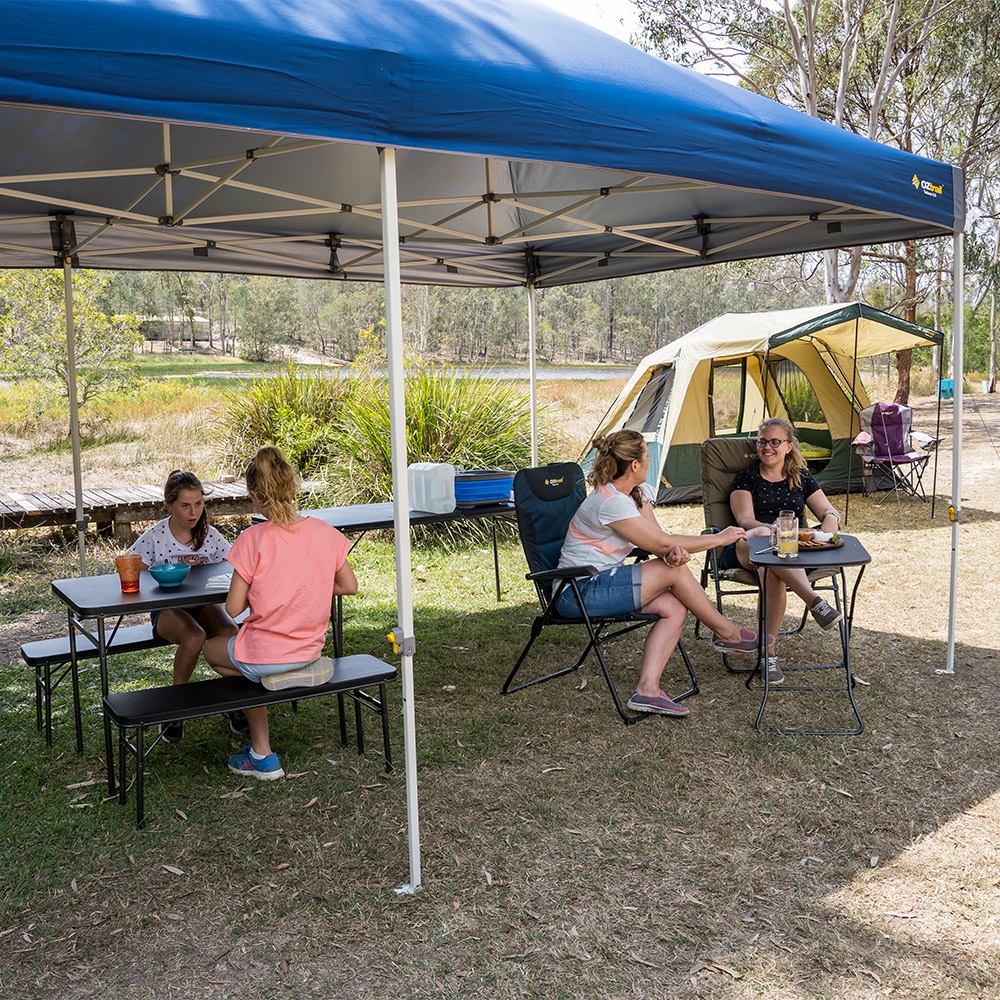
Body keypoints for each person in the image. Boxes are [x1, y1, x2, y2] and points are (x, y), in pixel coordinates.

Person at [557, 429, 766, 718]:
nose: (648, 462)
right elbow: (664, 543)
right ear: (634, 465)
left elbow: (659, 539)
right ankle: (726, 632)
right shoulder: (610, 502)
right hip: (575, 592)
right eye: (646, 457)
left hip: (602, 582)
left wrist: (671, 552)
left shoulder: (631, 496)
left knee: (674, 606)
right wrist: (720, 538)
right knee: (674, 575)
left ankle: (647, 691)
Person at [203, 446, 358, 780]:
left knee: (213, 651)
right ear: (292, 487)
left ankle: (262, 752)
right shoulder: (325, 533)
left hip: (264, 653)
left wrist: (268, 589)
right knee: (249, 666)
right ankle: (273, 689)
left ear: (256, 496)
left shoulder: (252, 539)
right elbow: (348, 585)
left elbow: (232, 608)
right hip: (308, 651)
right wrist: (306, 585)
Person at [722, 417, 844, 685]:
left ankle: (768, 654)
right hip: (749, 546)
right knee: (767, 537)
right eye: (762, 441)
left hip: (790, 556)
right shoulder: (746, 478)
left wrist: (830, 521)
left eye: (775, 442)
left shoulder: (800, 477)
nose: (767, 447)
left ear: (789, 446)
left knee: (772, 571)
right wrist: (776, 531)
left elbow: (827, 510)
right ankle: (815, 602)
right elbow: (745, 521)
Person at [131, 470, 239, 743]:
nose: (194, 512)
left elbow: (232, 565)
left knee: (231, 631)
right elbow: (133, 571)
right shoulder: (155, 536)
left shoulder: (209, 535)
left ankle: (235, 701)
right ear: (168, 504)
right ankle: (174, 710)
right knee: (194, 636)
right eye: (185, 505)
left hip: (203, 604)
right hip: (167, 611)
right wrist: (163, 571)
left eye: (199, 504)